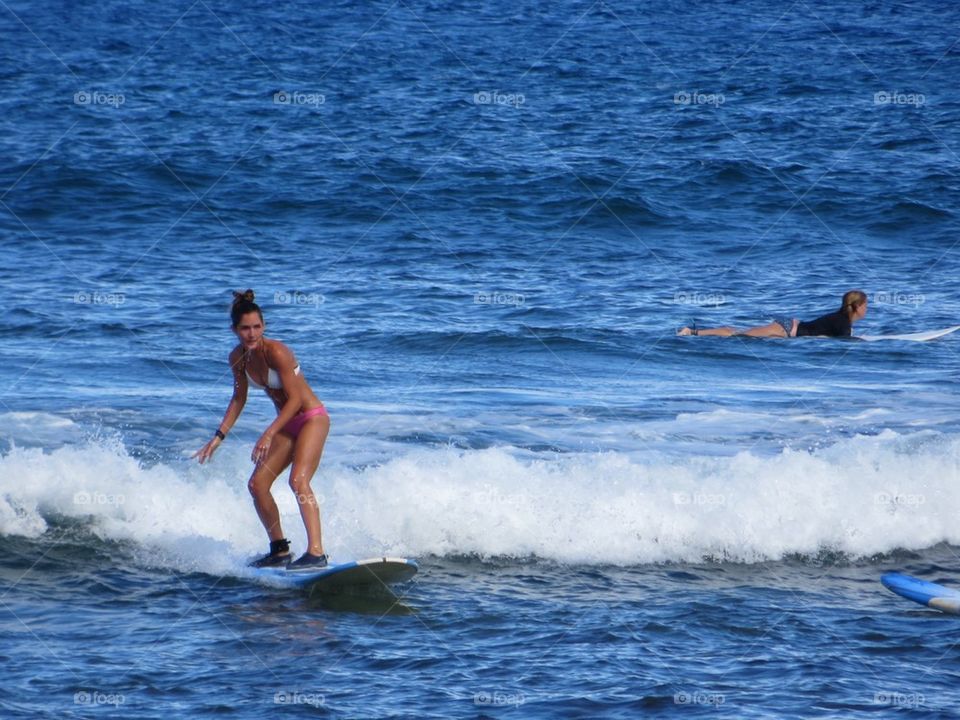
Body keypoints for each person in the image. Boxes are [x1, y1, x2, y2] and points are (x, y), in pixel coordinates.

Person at [195, 290, 330, 570]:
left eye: (257, 327)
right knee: (257, 485)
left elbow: (294, 400)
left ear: (264, 326)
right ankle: (279, 549)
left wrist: (268, 434)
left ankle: (316, 552)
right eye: (245, 328)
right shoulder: (238, 358)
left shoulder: (277, 352)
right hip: (287, 422)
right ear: (235, 330)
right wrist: (218, 437)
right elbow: (238, 398)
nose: (252, 334)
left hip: (311, 418)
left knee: (298, 482)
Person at [677, 290, 868, 338]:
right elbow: (845, 341)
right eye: (865, 305)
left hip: (788, 329)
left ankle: (694, 332)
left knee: (741, 334)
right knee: (737, 335)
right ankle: (692, 332)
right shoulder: (843, 322)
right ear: (858, 306)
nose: (867, 309)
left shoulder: (840, 318)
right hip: (788, 329)